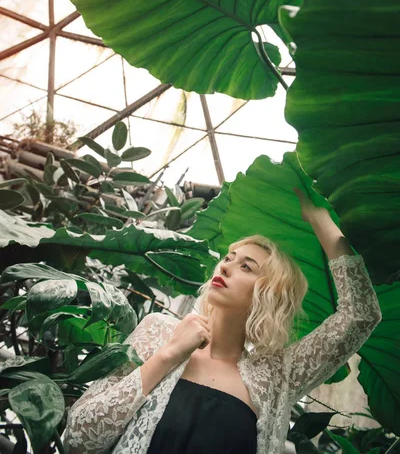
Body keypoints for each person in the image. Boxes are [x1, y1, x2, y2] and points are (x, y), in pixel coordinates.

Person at [62, 187, 382, 454]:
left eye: (247, 267)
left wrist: (318, 217)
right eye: (228, 258)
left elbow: (360, 315)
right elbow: (78, 437)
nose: (225, 267)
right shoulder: (159, 332)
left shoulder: (274, 377)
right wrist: (168, 355)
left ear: (268, 294)